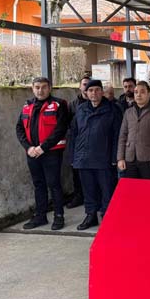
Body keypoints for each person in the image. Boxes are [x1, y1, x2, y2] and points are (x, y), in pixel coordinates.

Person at [16, 77, 70, 230]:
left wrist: (42, 148)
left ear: (50, 88)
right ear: (32, 89)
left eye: (44, 87)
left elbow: (60, 130)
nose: (40, 90)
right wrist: (28, 148)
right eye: (37, 87)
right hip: (32, 153)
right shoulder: (27, 105)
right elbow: (19, 128)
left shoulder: (59, 104)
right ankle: (40, 216)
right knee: (38, 184)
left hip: (51, 153)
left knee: (54, 184)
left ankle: (58, 216)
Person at [68, 80, 123, 230]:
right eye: (90, 90)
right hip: (83, 157)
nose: (94, 93)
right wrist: (73, 156)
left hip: (104, 157)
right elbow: (74, 133)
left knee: (107, 189)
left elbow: (117, 135)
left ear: (102, 92)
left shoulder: (112, 109)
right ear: (86, 93)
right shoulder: (81, 109)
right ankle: (91, 215)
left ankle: (107, 215)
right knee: (88, 190)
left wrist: (115, 157)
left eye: (97, 90)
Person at [117, 81, 150, 180]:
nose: (138, 95)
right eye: (136, 92)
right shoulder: (128, 112)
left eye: (142, 92)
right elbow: (123, 135)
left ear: (149, 94)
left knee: (149, 188)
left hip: (149, 158)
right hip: (130, 157)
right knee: (132, 188)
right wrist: (120, 158)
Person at [66, 76, 90, 208]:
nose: (86, 87)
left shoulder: (97, 102)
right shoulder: (73, 105)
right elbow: (67, 123)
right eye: (84, 84)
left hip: (93, 144)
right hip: (77, 143)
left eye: (89, 84)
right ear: (80, 87)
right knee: (76, 172)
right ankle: (79, 196)